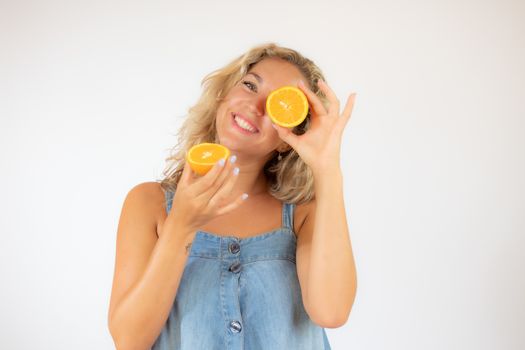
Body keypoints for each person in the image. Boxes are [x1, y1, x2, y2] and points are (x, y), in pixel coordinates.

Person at [108, 42, 357, 350]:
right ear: (224, 94)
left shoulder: (305, 213)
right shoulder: (148, 203)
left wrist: (328, 169)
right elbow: (128, 340)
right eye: (250, 85)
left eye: (277, 105)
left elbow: (331, 312)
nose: (255, 106)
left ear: (286, 139)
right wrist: (182, 225)